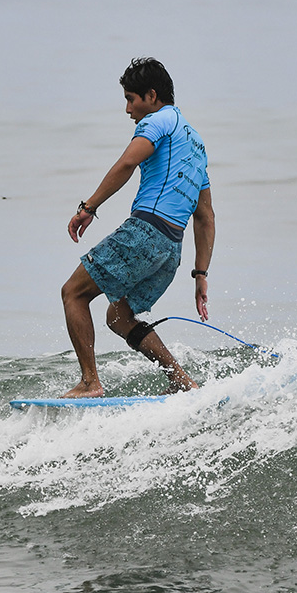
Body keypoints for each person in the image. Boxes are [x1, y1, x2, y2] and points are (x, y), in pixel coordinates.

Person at [59, 57, 215, 398]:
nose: (128, 109)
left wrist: (88, 208)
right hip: (171, 250)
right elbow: (205, 216)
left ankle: (90, 383)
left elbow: (128, 162)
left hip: (146, 232)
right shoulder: (196, 143)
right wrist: (200, 273)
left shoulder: (158, 121)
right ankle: (182, 381)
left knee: (73, 293)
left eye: (131, 99)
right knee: (119, 316)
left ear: (152, 96)